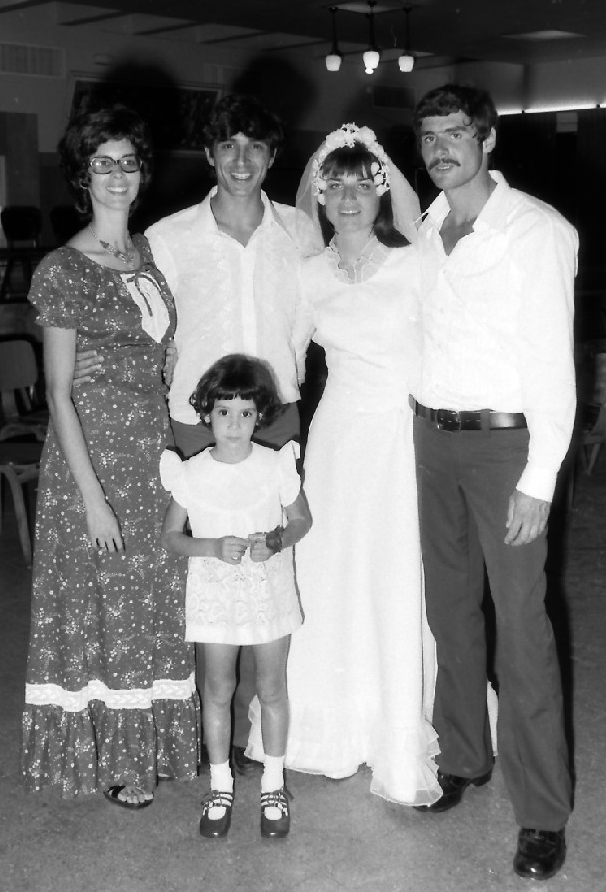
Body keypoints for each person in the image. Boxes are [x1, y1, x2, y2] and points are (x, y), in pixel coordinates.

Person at [74, 93, 322, 774]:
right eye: (228, 146)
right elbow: (135, 319)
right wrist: (86, 355)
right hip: (197, 425)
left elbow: (319, 312)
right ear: (210, 154)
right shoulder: (170, 236)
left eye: (256, 146)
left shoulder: (301, 230)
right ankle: (203, 730)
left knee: (266, 566)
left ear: (272, 156)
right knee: (204, 573)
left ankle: (258, 730)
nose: (242, 160)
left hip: (277, 419)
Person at [410, 84, 577, 881]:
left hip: (505, 448)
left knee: (522, 627)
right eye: (429, 137)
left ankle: (541, 813)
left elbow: (553, 364)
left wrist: (540, 478)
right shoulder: (426, 227)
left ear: (487, 139)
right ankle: (463, 758)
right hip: (430, 438)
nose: (440, 149)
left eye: (455, 133)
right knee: (449, 612)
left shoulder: (536, 231)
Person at [249, 123, 441, 807]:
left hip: (401, 437)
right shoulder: (307, 275)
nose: (349, 198)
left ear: (383, 194)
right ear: (321, 197)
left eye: (362, 185)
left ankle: (399, 725)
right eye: (335, 186)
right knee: (330, 572)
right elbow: (283, 361)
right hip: (336, 441)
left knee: (395, 571)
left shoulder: (415, 266)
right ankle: (326, 728)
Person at [21, 107, 199, 808]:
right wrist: (92, 499)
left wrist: (167, 361)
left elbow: (153, 341)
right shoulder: (63, 268)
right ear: (82, 175)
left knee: (151, 595)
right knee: (106, 602)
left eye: (128, 162)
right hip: (90, 457)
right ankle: (115, 759)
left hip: (149, 450)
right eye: (103, 163)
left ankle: (148, 746)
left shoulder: (145, 255)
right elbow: (57, 392)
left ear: (142, 172)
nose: (118, 175)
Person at [160, 354, 312, 838]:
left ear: (259, 416)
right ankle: (220, 783)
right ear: (207, 414)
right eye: (224, 412)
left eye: (246, 413)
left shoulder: (274, 465)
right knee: (218, 688)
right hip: (215, 597)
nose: (234, 424)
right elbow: (171, 537)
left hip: (267, 593)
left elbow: (301, 520)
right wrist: (210, 546)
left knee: (272, 688)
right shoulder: (192, 473)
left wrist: (276, 541)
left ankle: (273, 783)